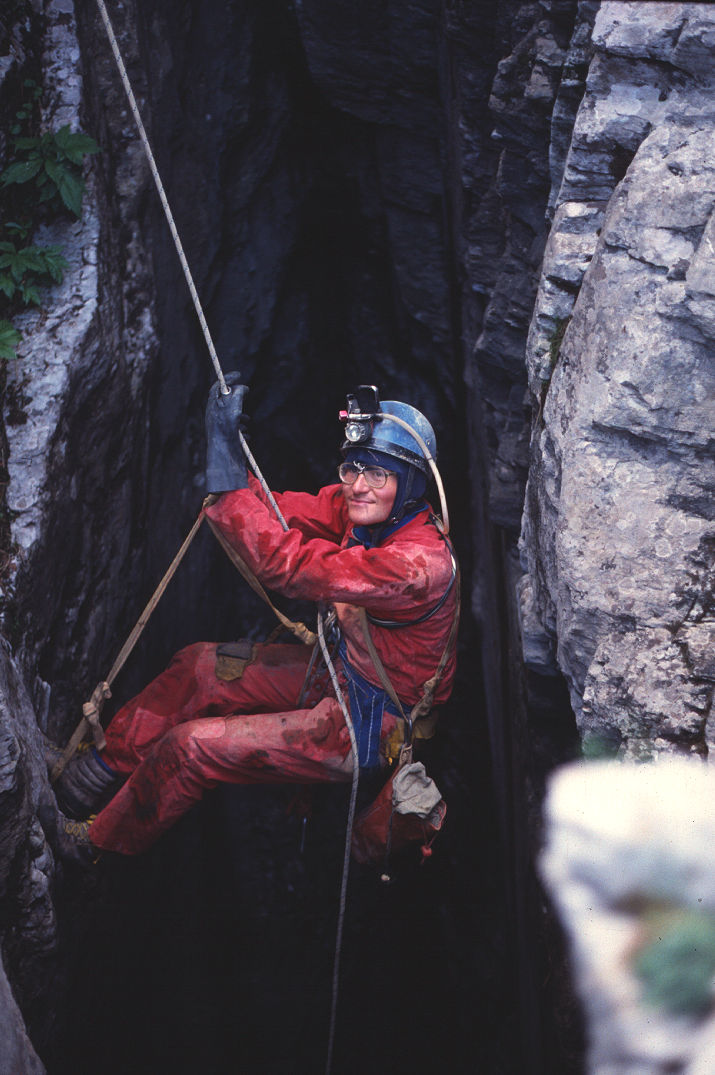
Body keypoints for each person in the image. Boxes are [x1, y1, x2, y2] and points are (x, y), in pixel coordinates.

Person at [51, 381, 458, 863]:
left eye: (378, 474)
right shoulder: (369, 513)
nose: (358, 485)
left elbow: (289, 567)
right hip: (340, 675)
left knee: (192, 747)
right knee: (201, 669)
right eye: (352, 467)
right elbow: (278, 510)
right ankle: (91, 776)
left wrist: (228, 481)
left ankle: (95, 846)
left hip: (368, 724)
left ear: (410, 484)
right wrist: (230, 465)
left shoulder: (416, 566)